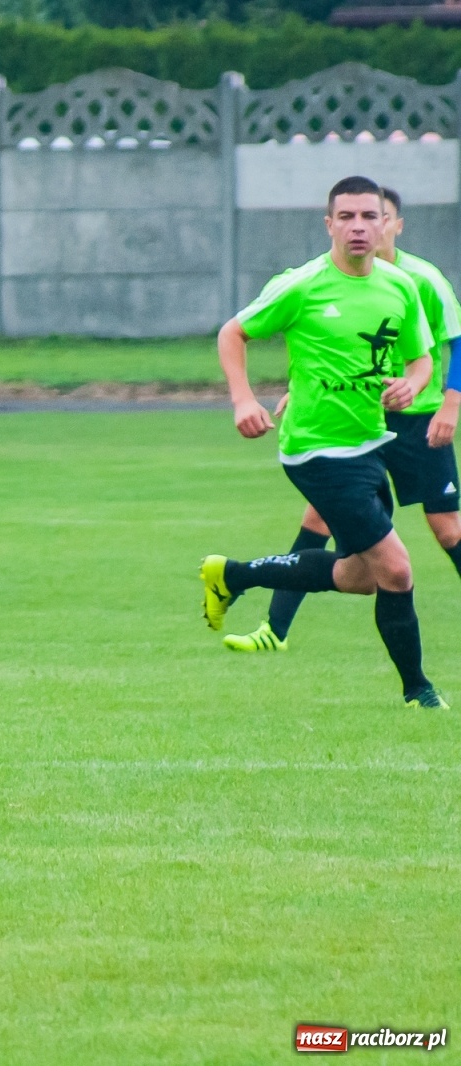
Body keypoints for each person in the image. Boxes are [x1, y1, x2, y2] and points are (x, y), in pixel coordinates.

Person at [199, 175, 446, 709]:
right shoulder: (303, 285)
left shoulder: (400, 286)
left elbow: (420, 356)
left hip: (368, 445)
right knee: (398, 569)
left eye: (369, 216)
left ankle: (233, 574)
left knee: (360, 577)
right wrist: (243, 399)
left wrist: (414, 383)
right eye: (347, 217)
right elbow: (233, 332)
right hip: (315, 451)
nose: (358, 227)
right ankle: (419, 692)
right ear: (329, 223)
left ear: (387, 225)